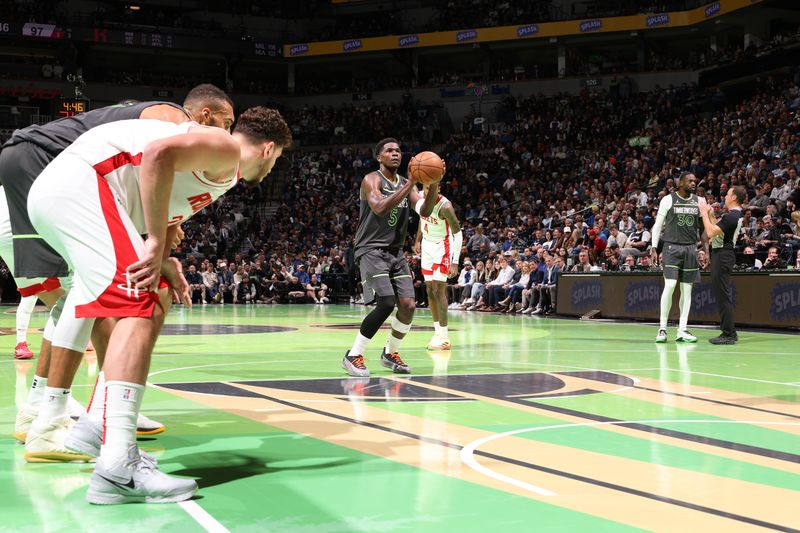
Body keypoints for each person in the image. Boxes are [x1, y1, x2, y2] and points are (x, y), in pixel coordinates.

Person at [25, 107, 291, 503]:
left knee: (152, 292)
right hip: (82, 186)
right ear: (268, 149)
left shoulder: (219, 172)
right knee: (140, 302)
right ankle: (118, 468)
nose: (272, 170)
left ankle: (96, 428)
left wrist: (164, 257)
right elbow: (157, 155)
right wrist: (151, 241)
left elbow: (164, 203)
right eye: (278, 160)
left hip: (70, 192)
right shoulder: (224, 146)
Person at [8, 85, 235, 444]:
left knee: (76, 295)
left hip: (28, 164)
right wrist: (162, 235)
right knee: (115, 297)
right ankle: (97, 413)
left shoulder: (162, 124)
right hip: (47, 162)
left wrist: (168, 227)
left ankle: (44, 409)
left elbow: (152, 171)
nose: (228, 133)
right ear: (205, 116)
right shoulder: (174, 120)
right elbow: (157, 160)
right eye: (226, 122)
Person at [342, 139, 439, 377]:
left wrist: (433, 184)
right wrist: (410, 186)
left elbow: (425, 211)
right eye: (389, 151)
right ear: (379, 157)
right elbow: (379, 208)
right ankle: (353, 354)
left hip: (395, 251)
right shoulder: (371, 180)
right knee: (386, 302)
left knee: (408, 305)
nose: (395, 154)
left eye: (398, 151)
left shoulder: (408, 184)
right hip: (370, 249)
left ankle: (390, 352)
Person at [650, 172, 707, 343]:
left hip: (690, 248)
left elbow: (703, 229)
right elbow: (658, 225)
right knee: (670, 285)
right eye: (689, 181)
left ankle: (682, 329)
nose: (693, 183)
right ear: (680, 182)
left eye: (694, 181)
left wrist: (706, 250)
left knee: (687, 290)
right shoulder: (668, 199)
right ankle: (662, 328)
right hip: (671, 247)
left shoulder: (700, 201)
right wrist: (654, 247)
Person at [414, 182, 461, 350]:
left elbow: (458, 233)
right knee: (429, 289)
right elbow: (421, 218)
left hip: (443, 246)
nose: (428, 191)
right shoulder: (420, 199)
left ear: (438, 189)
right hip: (427, 245)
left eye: (432, 188)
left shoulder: (445, 206)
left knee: (439, 289)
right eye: (426, 188)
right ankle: (437, 333)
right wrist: (418, 239)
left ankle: (445, 337)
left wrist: (455, 262)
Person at [699, 185, 745, 345]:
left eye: (727, 194)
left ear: (734, 198)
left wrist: (704, 214)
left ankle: (729, 333)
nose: (724, 196)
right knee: (722, 294)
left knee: (723, 295)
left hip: (723, 255)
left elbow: (711, 233)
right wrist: (711, 216)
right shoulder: (733, 215)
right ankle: (730, 331)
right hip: (722, 252)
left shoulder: (731, 216)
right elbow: (717, 233)